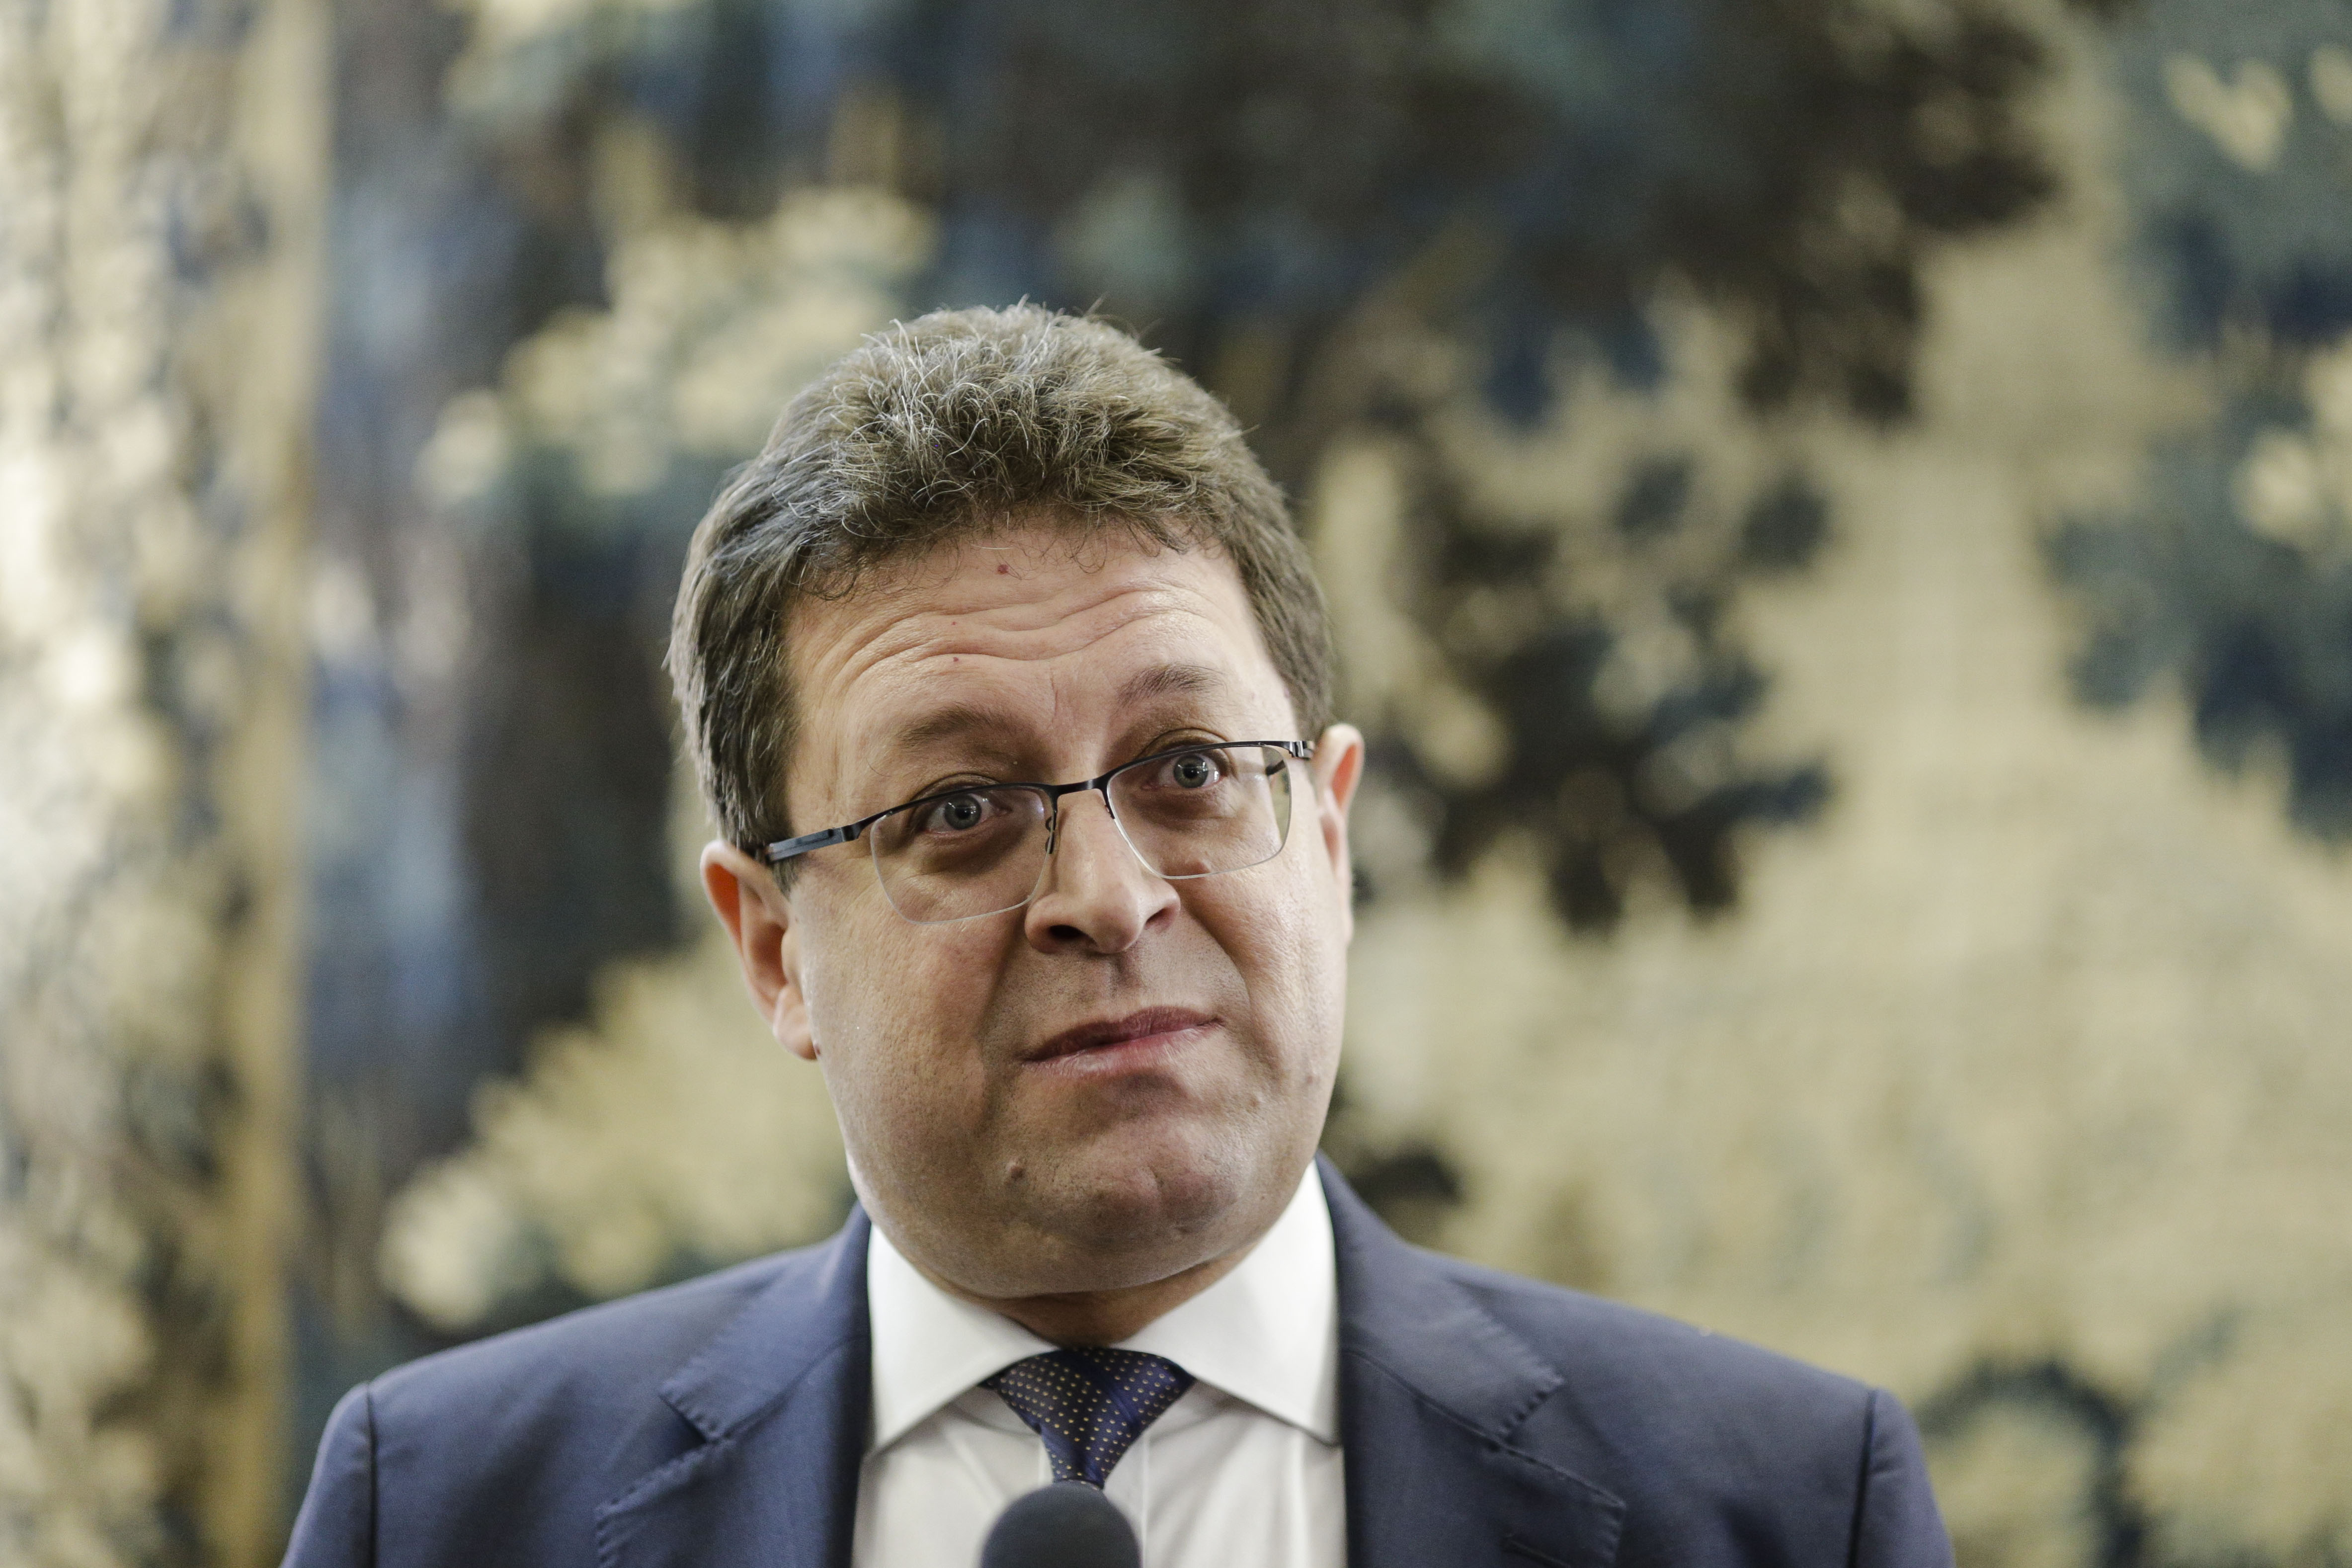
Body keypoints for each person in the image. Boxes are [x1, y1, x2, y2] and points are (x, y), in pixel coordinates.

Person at [283, 305, 1952, 1568]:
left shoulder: (1788, 1510)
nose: (1109, 892)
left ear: (1331, 840)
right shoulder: (432, 1512)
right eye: (960, 808)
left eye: (1190, 771)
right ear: (776, 947)